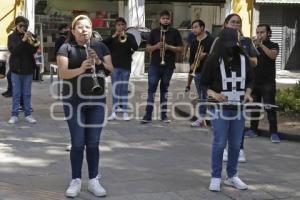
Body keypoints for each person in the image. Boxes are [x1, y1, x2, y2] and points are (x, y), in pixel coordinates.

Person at [56, 15, 113, 197]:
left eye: (87, 27)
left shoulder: (100, 46)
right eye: (79, 27)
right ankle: (76, 180)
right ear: (73, 31)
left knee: (93, 143)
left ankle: (94, 180)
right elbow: (63, 74)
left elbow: (111, 69)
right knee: (78, 143)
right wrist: (81, 68)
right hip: (74, 101)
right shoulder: (66, 48)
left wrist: (99, 62)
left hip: (96, 101)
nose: (84, 30)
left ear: (91, 29)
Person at [201, 28, 253, 192]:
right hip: (219, 108)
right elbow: (204, 84)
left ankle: (232, 176)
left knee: (236, 144)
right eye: (227, 45)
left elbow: (251, 80)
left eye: (234, 44)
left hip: (239, 108)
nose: (231, 48)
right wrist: (214, 94)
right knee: (219, 143)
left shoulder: (243, 58)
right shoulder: (213, 60)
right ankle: (215, 177)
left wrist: (248, 93)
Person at [220, 13, 259, 162]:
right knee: (223, 118)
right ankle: (223, 147)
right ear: (225, 24)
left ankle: (239, 148)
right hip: (224, 86)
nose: (236, 25)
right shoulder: (219, 41)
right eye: (232, 22)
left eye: (238, 23)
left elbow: (255, 62)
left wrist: (244, 55)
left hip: (242, 86)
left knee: (239, 120)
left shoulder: (247, 42)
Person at [141, 10, 183, 123]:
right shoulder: (154, 32)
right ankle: (147, 115)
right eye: (163, 18)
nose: (165, 20)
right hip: (154, 65)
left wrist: (168, 46)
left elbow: (181, 49)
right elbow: (148, 48)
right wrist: (156, 46)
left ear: (170, 20)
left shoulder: (175, 32)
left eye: (167, 18)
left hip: (168, 66)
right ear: (160, 20)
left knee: (164, 90)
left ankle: (164, 116)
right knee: (151, 90)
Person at [245, 24, 280, 143]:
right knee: (254, 107)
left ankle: (274, 133)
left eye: (262, 32)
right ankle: (253, 130)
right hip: (254, 82)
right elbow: (248, 61)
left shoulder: (273, 45)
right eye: (258, 32)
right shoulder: (252, 46)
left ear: (268, 33)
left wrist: (261, 45)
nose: (259, 35)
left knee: (270, 108)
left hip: (268, 83)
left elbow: (273, 55)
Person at [103, 17, 138, 121]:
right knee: (115, 89)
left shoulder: (130, 36)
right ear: (115, 26)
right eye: (119, 25)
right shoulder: (112, 37)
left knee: (123, 89)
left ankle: (125, 112)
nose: (121, 27)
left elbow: (135, 47)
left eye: (123, 25)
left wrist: (127, 37)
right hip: (114, 67)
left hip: (126, 67)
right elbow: (103, 44)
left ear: (125, 26)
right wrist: (114, 36)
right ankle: (114, 112)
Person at [8, 16, 38, 124]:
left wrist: (32, 40)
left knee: (27, 93)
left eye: (25, 26)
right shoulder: (11, 37)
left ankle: (28, 114)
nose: (23, 28)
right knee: (16, 93)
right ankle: (14, 115)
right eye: (21, 25)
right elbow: (14, 51)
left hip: (28, 69)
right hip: (16, 69)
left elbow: (33, 50)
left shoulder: (30, 36)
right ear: (16, 25)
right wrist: (23, 40)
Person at [189, 19, 214, 128]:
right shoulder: (194, 42)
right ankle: (201, 118)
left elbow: (216, 55)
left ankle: (214, 119)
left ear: (202, 27)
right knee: (201, 97)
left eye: (196, 27)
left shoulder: (211, 40)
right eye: (193, 27)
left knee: (212, 97)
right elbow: (191, 59)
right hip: (198, 73)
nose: (193, 29)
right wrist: (191, 66)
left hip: (210, 72)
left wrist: (206, 55)